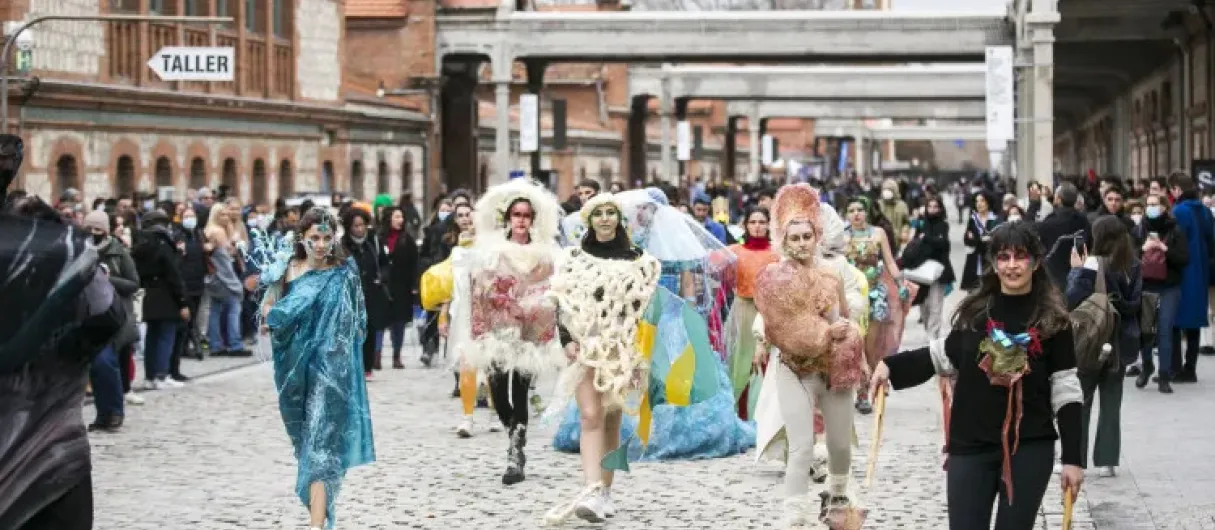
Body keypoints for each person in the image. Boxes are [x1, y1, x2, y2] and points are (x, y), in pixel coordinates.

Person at [870, 221, 1085, 530]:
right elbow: (943, 355)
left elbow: (1067, 391)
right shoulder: (976, 313)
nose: (1012, 265)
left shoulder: (1053, 321)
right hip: (970, 444)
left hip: (1029, 447)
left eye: (1020, 256)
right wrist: (890, 366)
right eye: (1004, 257)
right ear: (994, 263)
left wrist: (1073, 459)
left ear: (1036, 262)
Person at [750, 184, 867, 529]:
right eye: (795, 238)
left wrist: (859, 357)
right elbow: (770, 320)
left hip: (833, 368)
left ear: (817, 237)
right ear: (784, 241)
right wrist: (763, 341)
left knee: (840, 445)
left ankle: (838, 498)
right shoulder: (774, 277)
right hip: (794, 367)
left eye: (807, 236)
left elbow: (846, 318)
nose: (802, 243)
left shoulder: (833, 274)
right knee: (801, 447)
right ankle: (794, 516)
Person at [545, 192, 661, 523]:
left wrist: (642, 352)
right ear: (589, 220)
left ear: (619, 219)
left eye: (611, 212)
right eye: (599, 213)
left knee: (611, 418)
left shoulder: (640, 261)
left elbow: (648, 309)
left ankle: (605, 490)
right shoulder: (574, 259)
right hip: (585, 345)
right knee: (590, 415)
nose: (605, 218)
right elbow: (562, 301)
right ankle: (592, 490)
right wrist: (566, 339)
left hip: (625, 349)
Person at [257, 206, 375, 530]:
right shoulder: (287, 269)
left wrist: (338, 344)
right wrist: (278, 317)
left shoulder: (343, 274)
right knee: (305, 443)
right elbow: (268, 307)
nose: (321, 245)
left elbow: (359, 321)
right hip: (294, 371)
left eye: (326, 238)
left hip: (331, 372)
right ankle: (320, 512)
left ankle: (316, 524)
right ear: (302, 238)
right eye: (314, 238)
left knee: (321, 442)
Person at [451, 179, 564, 485]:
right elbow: (478, 288)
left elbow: (552, 289)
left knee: (521, 393)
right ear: (508, 218)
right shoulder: (491, 251)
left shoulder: (545, 254)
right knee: (500, 397)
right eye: (517, 214)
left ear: (533, 219)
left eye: (526, 215)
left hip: (529, 333)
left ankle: (515, 452)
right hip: (498, 333)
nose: (521, 220)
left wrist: (536, 305)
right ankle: (513, 431)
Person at [1064, 216, 1141, 478]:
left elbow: (1072, 301)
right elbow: (1135, 304)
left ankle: (1076, 458)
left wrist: (1076, 271)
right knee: (1111, 402)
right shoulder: (1133, 264)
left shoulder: (1092, 263)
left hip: (1092, 340)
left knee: (1082, 401)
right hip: (1121, 342)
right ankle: (1107, 461)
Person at [843, 195, 909, 414]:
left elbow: (890, 262)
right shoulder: (842, 237)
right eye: (851, 210)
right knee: (855, 344)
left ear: (867, 212)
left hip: (875, 295)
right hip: (851, 296)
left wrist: (900, 284)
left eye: (860, 209)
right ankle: (858, 389)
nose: (856, 214)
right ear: (846, 214)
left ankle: (867, 389)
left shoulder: (878, 233)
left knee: (872, 345)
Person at [1128, 193, 1187, 392]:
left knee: (1165, 330)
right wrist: (1142, 249)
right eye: (1149, 204)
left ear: (1164, 207)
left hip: (1169, 286)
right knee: (1145, 332)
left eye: (1155, 204)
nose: (1152, 208)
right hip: (1146, 287)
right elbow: (1129, 259)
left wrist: (1165, 248)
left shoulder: (1175, 230)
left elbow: (1184, 259)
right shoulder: (1139, 230)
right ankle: (1147, 367)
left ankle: (1164, 375)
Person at [725, 206, 780, 419]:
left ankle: (763, 416)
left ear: (769, 225)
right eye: (753, 222)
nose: (757, 226)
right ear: (745, 225)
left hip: (769, 313)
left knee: (766, 363)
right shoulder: (734, 252)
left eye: (762, 222)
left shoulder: (778, 253)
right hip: (742, 311)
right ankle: (738, 414)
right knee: (740, 363)